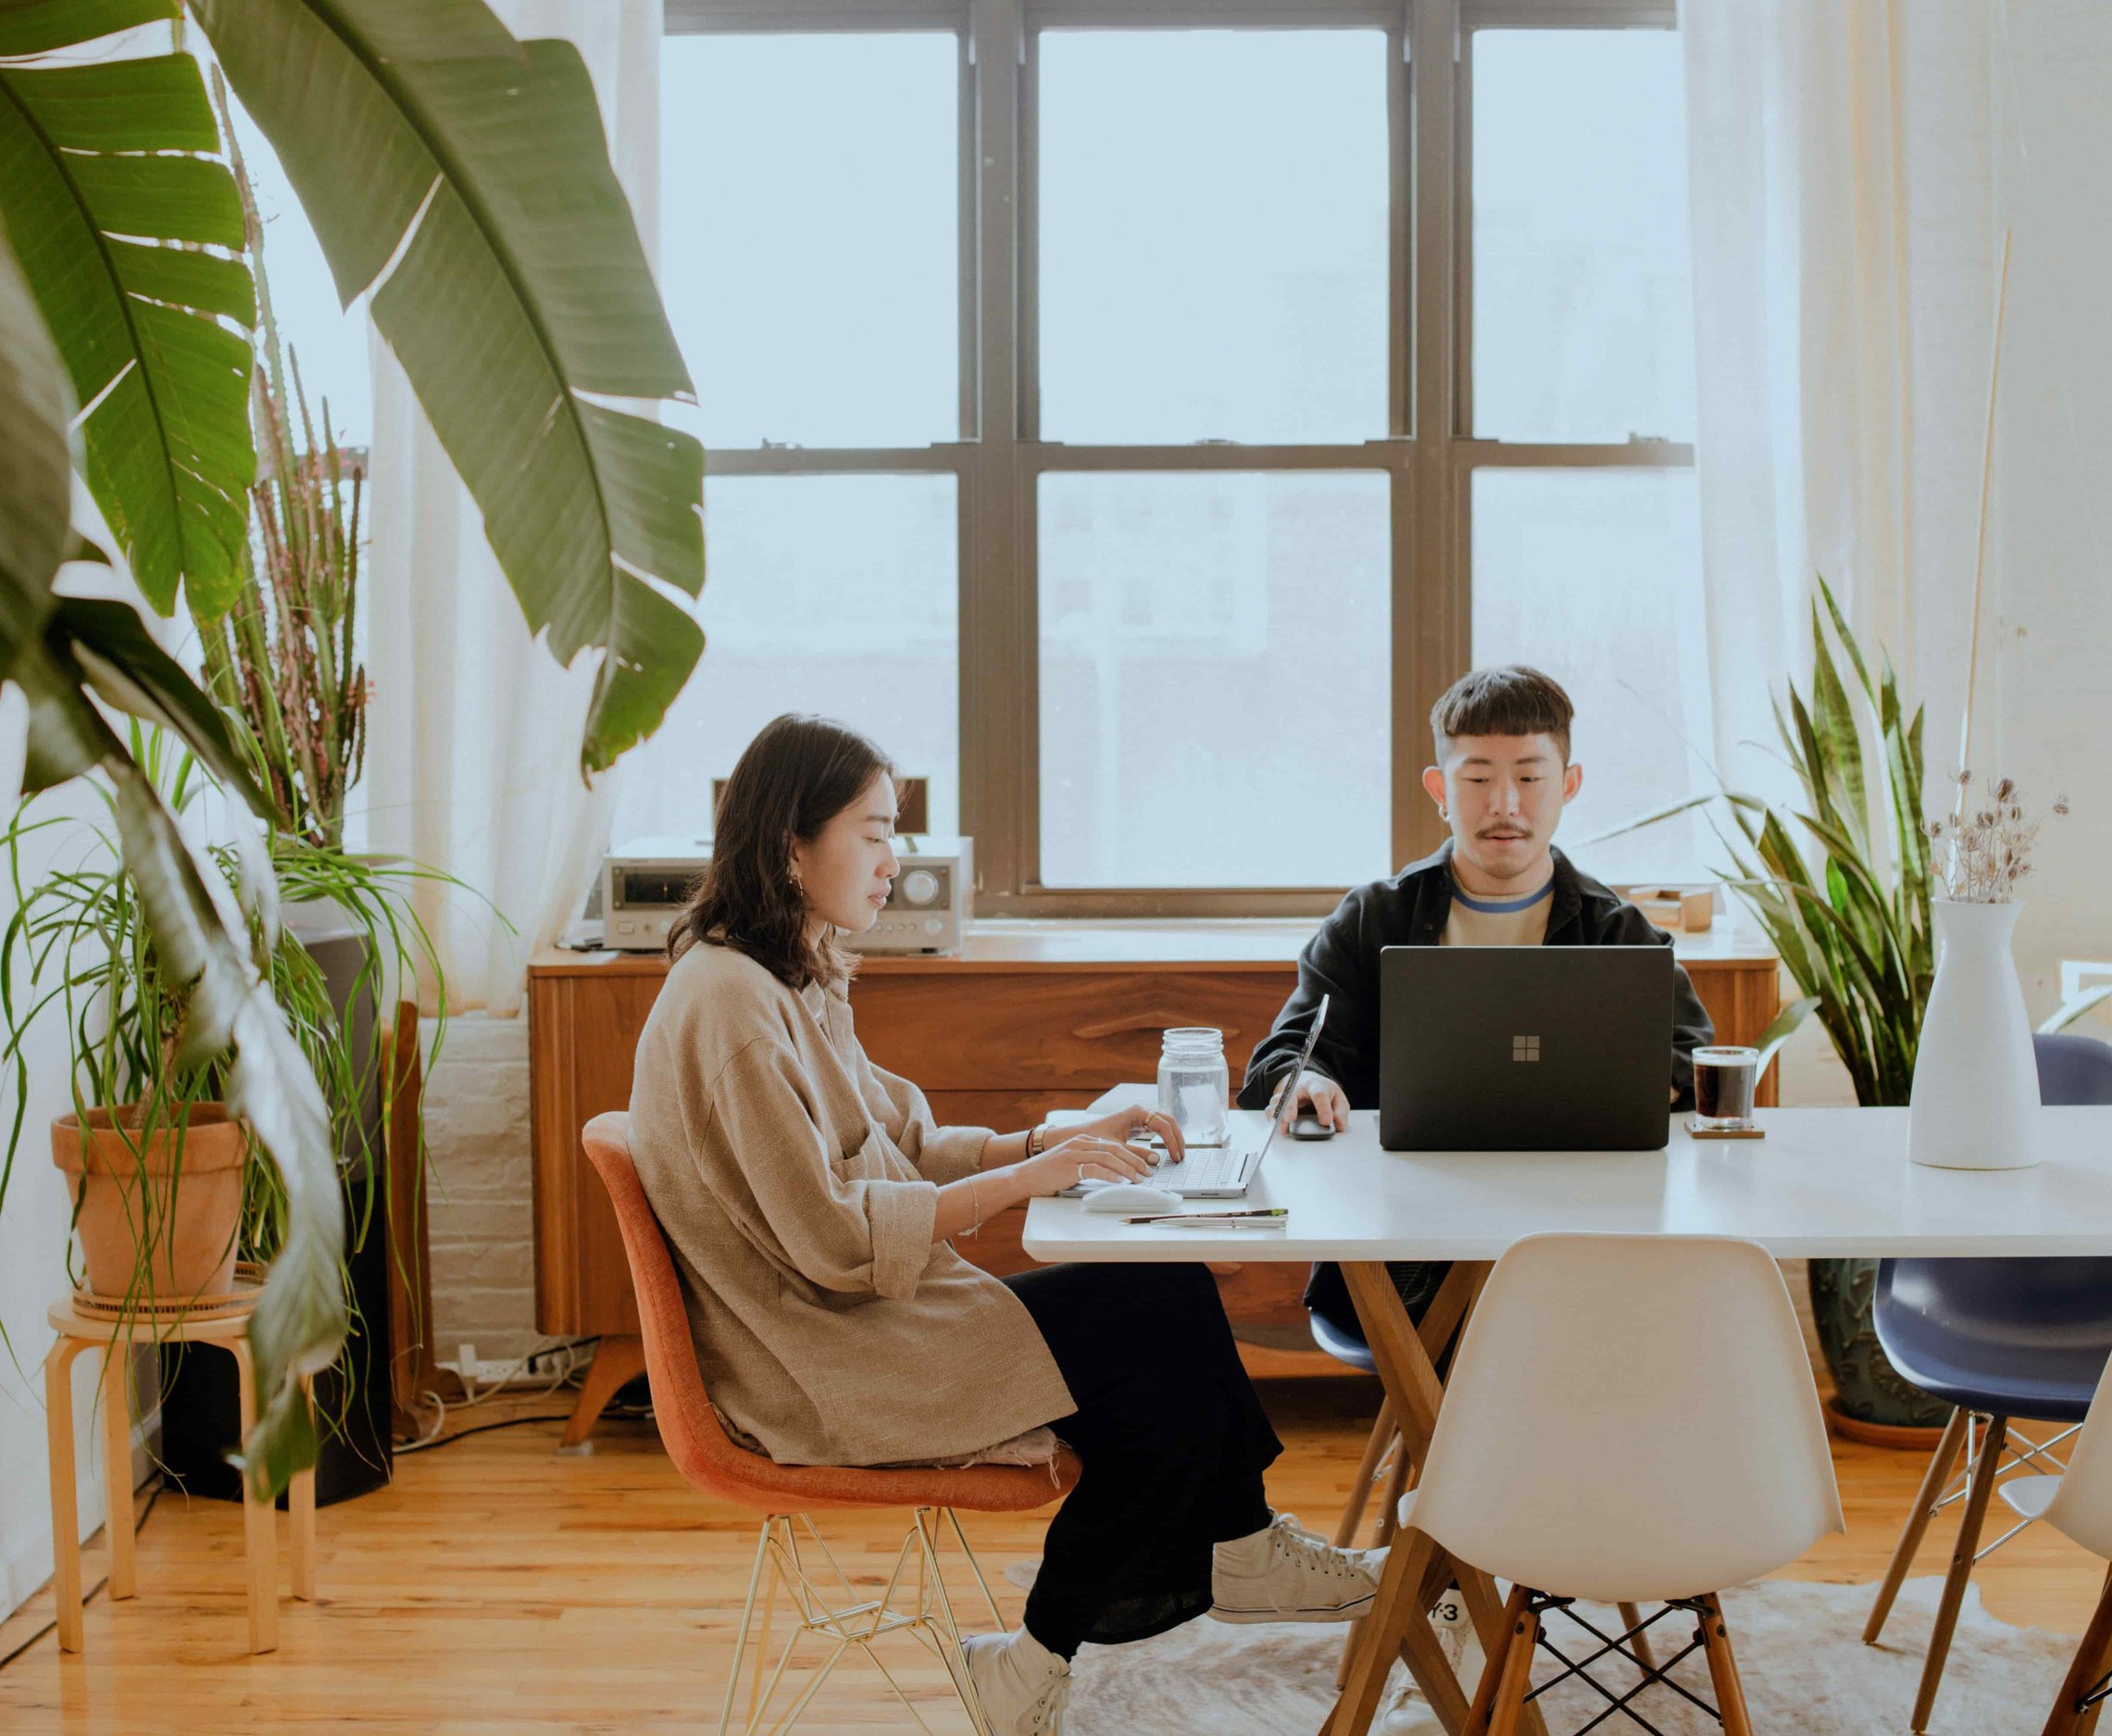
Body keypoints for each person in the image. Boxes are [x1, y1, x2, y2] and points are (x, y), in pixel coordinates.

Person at [626, 714, 1383, 1736]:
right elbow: (839, 1238)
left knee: (1158, 1322)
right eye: (876, 832)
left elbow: (904, 1136)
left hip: (860, 1325)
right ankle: (1171, 1585)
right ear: (789, 845)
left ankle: (1174, 1585)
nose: (898, 861)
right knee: (1151, 1331)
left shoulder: (788, 977)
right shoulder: (730, 1005)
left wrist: (1055, 1136)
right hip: (820, 1360)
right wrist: (1038, 1175)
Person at [1239, 664, 1715, 1324]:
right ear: (1440, 787)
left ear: (1568, 785)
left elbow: (1697, 1058)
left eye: (1528, 776)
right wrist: (1305, 1078)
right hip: (1403, 1251)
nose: (1505, 804)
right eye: (1478, 778)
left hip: (1580, 1238)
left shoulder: (1619, 930)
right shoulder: (1372, 917)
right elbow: (1279, 1060)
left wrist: (1647, 1079)